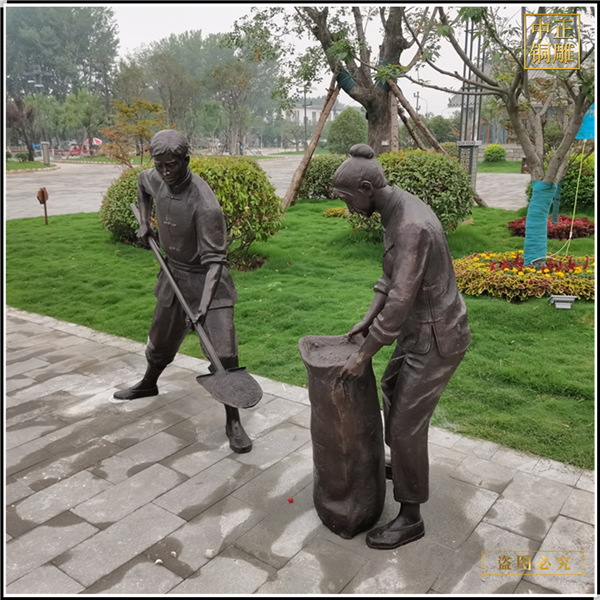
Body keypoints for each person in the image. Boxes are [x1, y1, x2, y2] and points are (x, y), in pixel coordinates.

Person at [332, 144, 471, 549]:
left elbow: (399, 299)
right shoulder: (392, 209)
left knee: (406, 425)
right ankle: (407, 464)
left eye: (347, 199)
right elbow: (389, 279)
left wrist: (364, 355)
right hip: (417, 330)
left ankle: (411, 517)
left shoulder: (412, 225)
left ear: (365, 189)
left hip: (437, 336)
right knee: (391, 389)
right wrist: (366, 319)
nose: (347, 207)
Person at [112, 129, 252, 454]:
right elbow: (142, 184)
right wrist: (145, 222)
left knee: (223, 353)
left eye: (171, 165)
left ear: (186, 160)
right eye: (159, 165)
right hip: (173, 275)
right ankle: (148, 384)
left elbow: (215, 263)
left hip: (208, 284)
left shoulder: (205, 205)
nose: (164, 172)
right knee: (160, 339)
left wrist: (202, 308)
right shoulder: (157, 178)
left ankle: (233, 421)